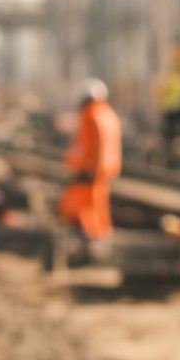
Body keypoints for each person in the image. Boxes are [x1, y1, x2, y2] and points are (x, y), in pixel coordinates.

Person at [58, 77, 121, 243]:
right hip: (104, 170)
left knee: (84, 208)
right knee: (98, 207)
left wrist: (87, 167)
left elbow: (92, 144)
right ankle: (99, 237)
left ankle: (91, 241)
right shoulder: (108, 113)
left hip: (89, 170)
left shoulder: (91, 114)